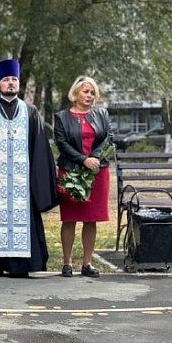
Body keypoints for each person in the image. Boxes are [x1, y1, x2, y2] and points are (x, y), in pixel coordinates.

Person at [0, 59, 58, 277]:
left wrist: (39, 186)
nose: (11, 83)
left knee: (24, 219)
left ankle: (21, 266)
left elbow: (40, 153)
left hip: (22, 187)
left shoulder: (31, 113)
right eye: (6, 80)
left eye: (14, 79)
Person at [54, 76, 112, 278]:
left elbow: (107, 139)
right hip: (71, 171)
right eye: (85, 91)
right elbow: (61, 143)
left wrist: (93, 158)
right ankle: (67, 263)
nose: (89, 95)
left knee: (91, 219)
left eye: (92, 92)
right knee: (69, 218)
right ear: (75, 93)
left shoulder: (102, 114)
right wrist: (82, 160)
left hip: (97, 172)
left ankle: (87, 263)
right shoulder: (62, 116)